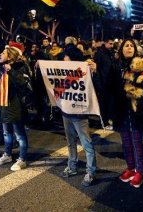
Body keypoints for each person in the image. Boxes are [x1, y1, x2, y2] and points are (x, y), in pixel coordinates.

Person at [111, 39, 143, 188]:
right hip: (121, 112)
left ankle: (140, 171)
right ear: (121, 49)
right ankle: (130, 168)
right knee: (126, 143)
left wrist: (137, 91)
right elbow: (109, 85)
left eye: (131, 46)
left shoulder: (140, 65)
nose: (129, 48)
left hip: (137, 112)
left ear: (135, 49)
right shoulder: (115, 65)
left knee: (137, 143)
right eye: (126, 45)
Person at [59, 43, 99, 187]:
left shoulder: (84, 69)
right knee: (70, 141)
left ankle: (91, 171)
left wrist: (94, 70)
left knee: (86, 142)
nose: (64, 59)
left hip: (79, 113)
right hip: (66, 111)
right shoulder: (62, 70)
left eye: (66, 57)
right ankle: (72, 166)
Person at [0, 45, 30, 171]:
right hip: (3, 105)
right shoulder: (1, 68)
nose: (0, 55)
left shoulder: (19, 67)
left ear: (10, 57)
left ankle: (22, 159)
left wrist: (11, 71)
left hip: (15, 105)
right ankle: (7, 155)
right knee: (6, 132)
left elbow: (22, 84)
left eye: (3, 53)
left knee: (19, 134)